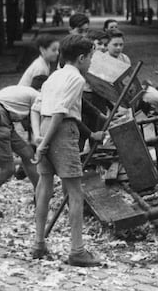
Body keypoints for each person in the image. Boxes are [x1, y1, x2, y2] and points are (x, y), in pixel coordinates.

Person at [30, 34, 102, 267]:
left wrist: (38, 136)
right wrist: (44, 143)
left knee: (44, 186)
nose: (91, 62)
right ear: (81, 58)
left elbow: (36, 107)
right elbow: (61, 112)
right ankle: (77, 251)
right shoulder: (77, 79)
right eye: (90, 57)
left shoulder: (53, 76)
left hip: (44, 126)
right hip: (61, 130)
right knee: (74, 192)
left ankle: (39, 244)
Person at [0, 85, 41, 219]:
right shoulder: (39, 99)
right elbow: (35, 125)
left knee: (27, 154)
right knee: (7, 168)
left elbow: (29, 126)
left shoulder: (29, 92)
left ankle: (40, 194)